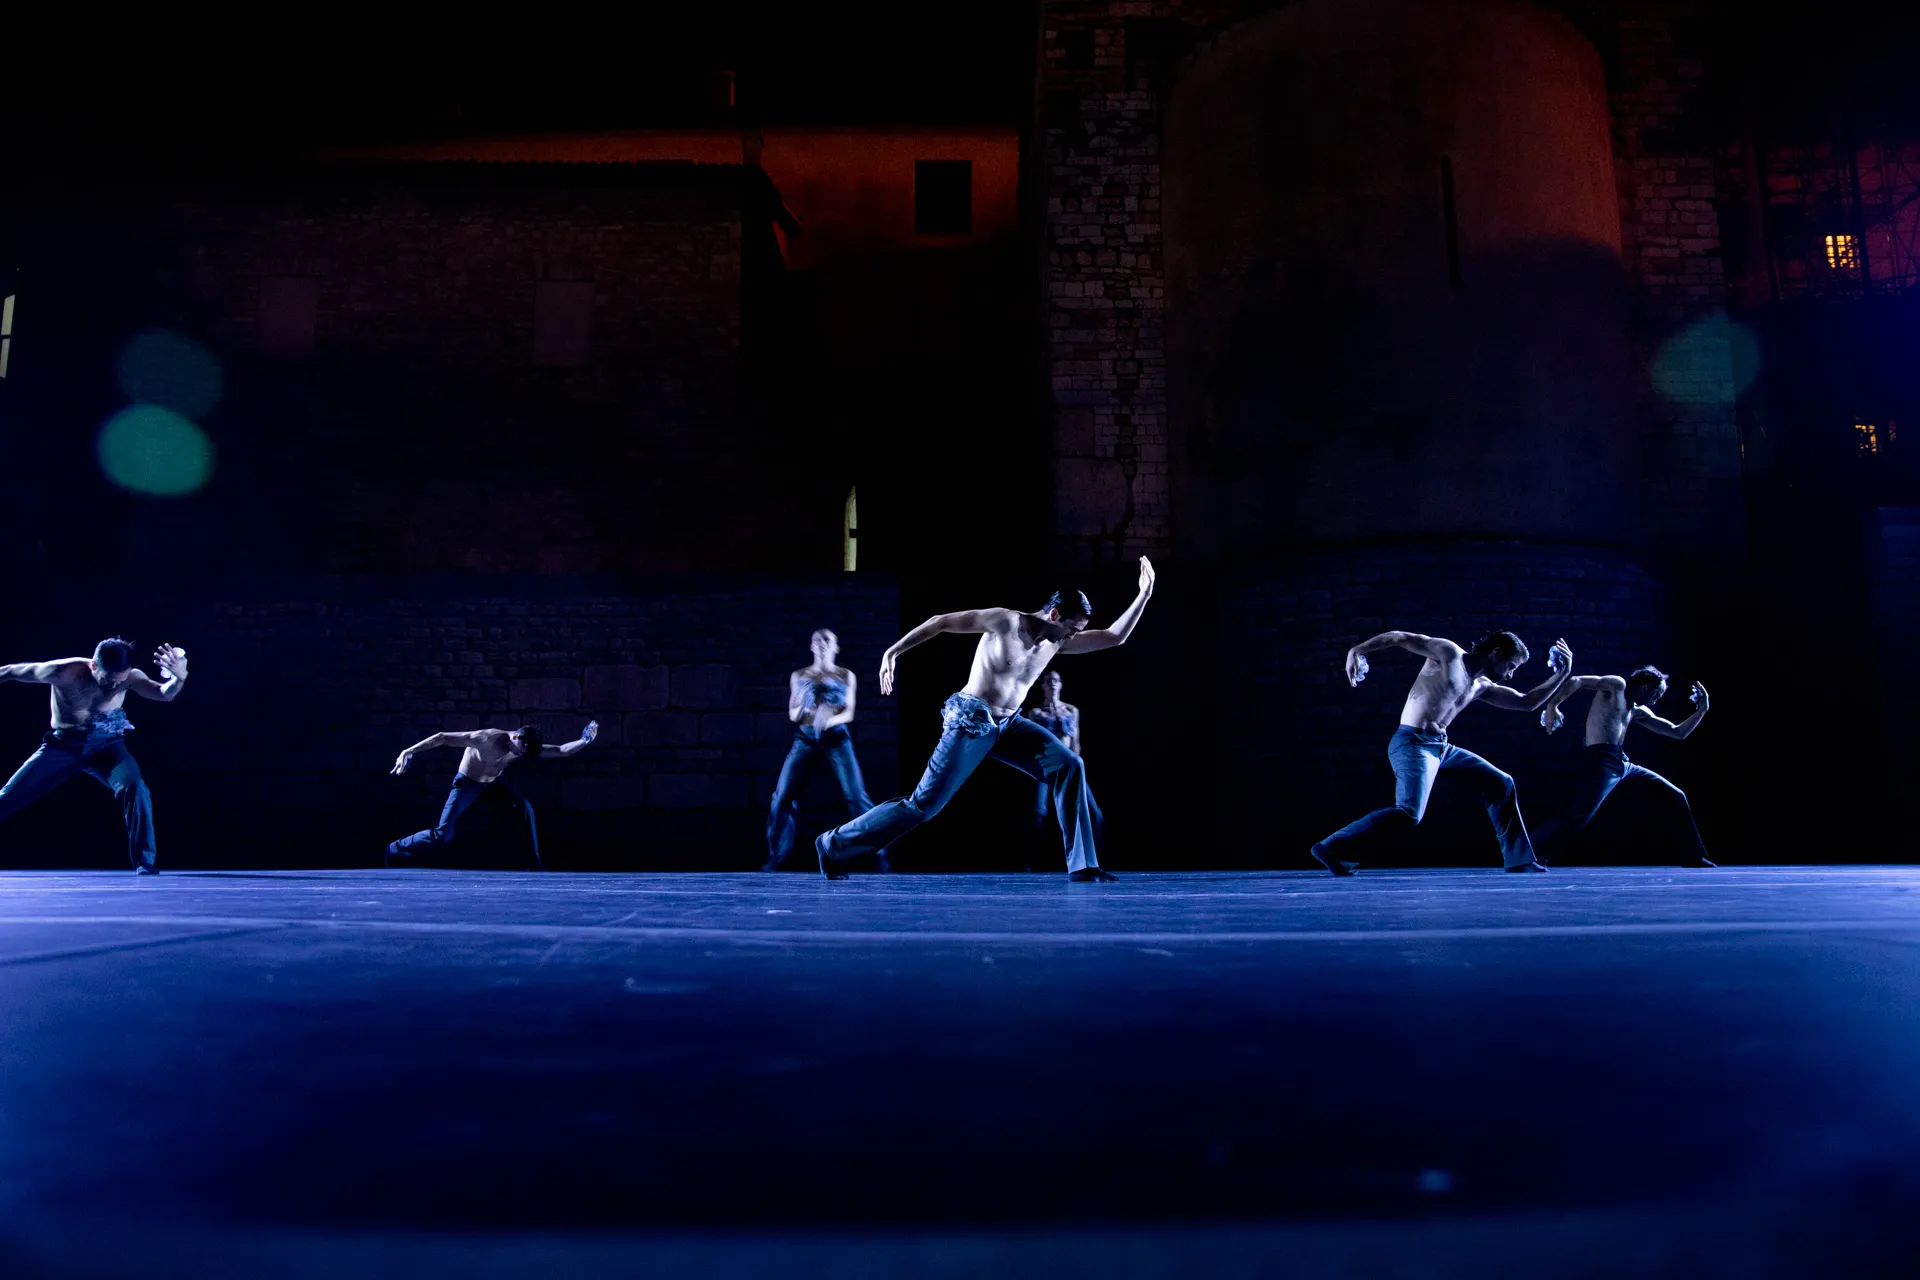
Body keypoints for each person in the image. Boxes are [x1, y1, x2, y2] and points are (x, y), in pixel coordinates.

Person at [814, 557, 1157, 881]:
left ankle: (1084, 866)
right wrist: (892, 653)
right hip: (971, 720)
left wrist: (1144, 594)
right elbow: (940, 623)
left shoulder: (1055, 644)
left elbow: (1114, 637)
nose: (1072, 637)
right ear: (1053, 615)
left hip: (1010, 726)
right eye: (1070, 629)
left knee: (1070, 764)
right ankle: (833, 844)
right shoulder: (1005, 621)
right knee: (923, 806)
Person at [1310, 629, 1572, 875]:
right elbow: (1400, 637)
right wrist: (1356, 650)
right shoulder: (1448, 654)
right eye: (1511, 667)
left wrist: (1561, 674)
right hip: (1412, 743)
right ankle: (1331, 847)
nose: (1510, 675)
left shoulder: (1480, 685)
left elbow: (1526, 703)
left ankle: (1520, 861)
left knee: (1501, 784)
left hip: (1441, 747)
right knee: (1410, 813)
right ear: (1496, 653)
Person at [0, 638, 187, 874]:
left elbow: (164, 694)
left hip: (106, 746)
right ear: (94, 666)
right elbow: (9, 671)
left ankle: (144, 861)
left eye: (119, 682)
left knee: (136, 787)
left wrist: (178, 678)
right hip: (63, 745)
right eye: (108, 680)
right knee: (10, 794)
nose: (112, 687)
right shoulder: (62, 671)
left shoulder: (131, 677)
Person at [1535, 665, 1715, 866]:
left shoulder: (1638, 711)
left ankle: (1693, 856)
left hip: (1623, 763)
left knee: (1675, 796)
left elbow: (1677, 732)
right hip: (1601, 759)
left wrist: (1702, 710)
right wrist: (1553, 705)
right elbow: (1577, 680)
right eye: (1657, 694)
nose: (1657, 700)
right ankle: (1531, 854)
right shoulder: (1616, 686)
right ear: (1646, 687)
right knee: (1579, 813)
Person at [387, 721, 598, 869]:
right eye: (519, 751)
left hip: (493, 785)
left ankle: (534, 863)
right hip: (467, 785)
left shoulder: (525, 746)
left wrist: (585, 740)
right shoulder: (485, 738)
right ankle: (394, 848)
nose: (518, 755)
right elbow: (442, 738)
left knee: (525, 809)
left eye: (522, 754)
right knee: (443, 836)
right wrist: (408, 751)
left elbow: (561, 750)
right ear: (515, 737)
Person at [763, 628, 887, 871]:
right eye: (817, 640)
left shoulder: (845, 675)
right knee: (782, 796)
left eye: (827, 640)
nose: (821, 643)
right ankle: (776, 854)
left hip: (836, 737)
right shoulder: (799, 675)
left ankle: (877, 852)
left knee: (856, 796)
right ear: (811, 646)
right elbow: (792, 712)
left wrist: (826, 720)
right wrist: (805, 711)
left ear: (836, 647)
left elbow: (849, 712)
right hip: (805, 738)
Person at [1021, 671, 1081, 846]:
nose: (1052, 683)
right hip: (1045, 764)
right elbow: (1031, 742)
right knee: (1039, 811)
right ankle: (1032, 859)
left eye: (1056, 680)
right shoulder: (1036, 712)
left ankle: (1088, 859)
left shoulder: (1071, 710)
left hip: (1068, 764)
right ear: (1043, 686)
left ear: (1060, 684)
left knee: (1083, 810)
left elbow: (1075, 741)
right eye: (1048, 681)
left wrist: (1077, 765)